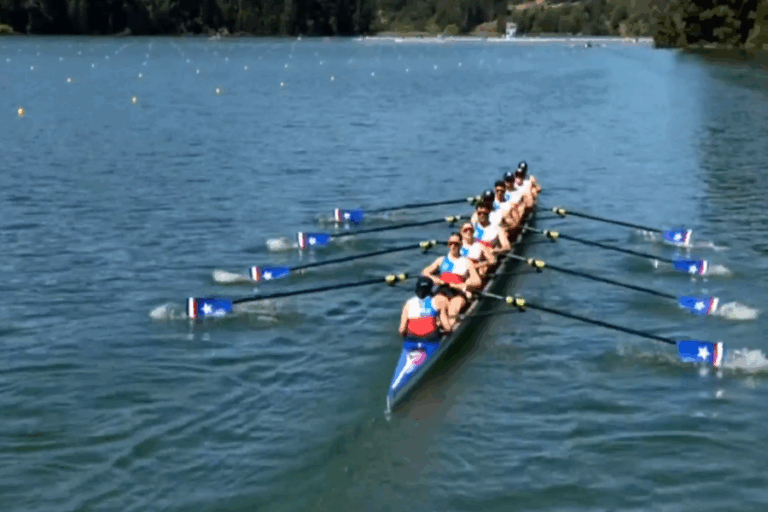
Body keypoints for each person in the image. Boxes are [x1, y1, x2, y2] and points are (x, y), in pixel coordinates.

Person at [422, 232, 482, 329]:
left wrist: (463, 285)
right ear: (448, 245)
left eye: (456, 244)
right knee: (437, 304)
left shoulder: (467, 262)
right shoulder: (441, 260)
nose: (453, 246)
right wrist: (435, 279)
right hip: (443, 291)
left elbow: (477, 282)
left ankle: (448, 332)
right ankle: (436, 327)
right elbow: (425, 272)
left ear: (461, 245)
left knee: (453, 310)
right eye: (451, 244)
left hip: (459, 293)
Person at [398, 276, 450, 341]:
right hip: (431, 338)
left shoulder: (408, 304)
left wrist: (405, 337)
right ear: (430, 288)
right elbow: (447, 326)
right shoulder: (437, 301)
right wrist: (448, 333)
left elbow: (402, 329)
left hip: (412, 339)